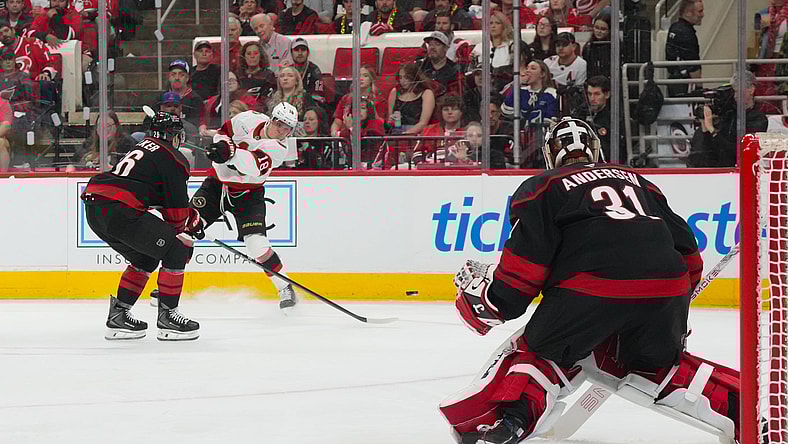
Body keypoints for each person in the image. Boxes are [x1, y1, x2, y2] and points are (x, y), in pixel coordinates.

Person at [440, 117, 740, 444]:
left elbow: (525, 271)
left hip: (590, 289)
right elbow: (689, 255)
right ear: (594, 149)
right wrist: (671, 309)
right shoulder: (640, 183)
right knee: (659, 368)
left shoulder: (542, 186)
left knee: (539, 348)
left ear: (549, 155)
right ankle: (747, 408)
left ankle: (509, 421)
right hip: (666, 289)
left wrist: (493, 303)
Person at [80, 112, 202, 341]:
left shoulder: (143, 146)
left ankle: (119, 316)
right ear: (175, 136)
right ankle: (169, 318)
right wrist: (186, 228)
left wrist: (186, 217)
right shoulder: (173, 157)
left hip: (96, 208)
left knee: (145, 258)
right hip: (119, 209)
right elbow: (175, 215)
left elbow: (143, 189)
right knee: (175, 249)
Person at [195, 103, 301, 311]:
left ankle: (284, 286)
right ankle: (167, 286)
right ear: (272, 119)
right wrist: (220, 144)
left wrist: (228, 152)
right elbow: (224, 132)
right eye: (279, 124)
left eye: (287, 128)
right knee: (187, 228)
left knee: (257, 244)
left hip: (248, 195)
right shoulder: (249, 118)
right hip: (216, 186)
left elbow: (249, 164)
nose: (281, 131)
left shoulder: (279, 149)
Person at [697, 71, 768, 168]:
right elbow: (710, 151)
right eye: (733, 91)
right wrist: (705, 129)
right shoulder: (728, 114)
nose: (734, 95)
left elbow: (740, 151)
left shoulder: (759, 119)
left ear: (751, 90)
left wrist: (712, 130)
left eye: (737, 91)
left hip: (742, 171)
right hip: (719, 168)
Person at [501, 59, 558, 168]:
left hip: (542, 142)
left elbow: (551, 119)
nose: (527, 71)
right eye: (527, 68)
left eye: (533, 68)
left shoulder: (552, 93)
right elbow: (506, 110)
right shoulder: (521, 91)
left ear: (542, 74)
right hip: (521, 140)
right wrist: (517, 86)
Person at [330, 64, 387, 137]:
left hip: (368, 138)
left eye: (365, 76)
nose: (361, 78)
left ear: (371, 79)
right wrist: (334, 133)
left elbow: (381, 124)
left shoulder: (379, 100)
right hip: (346, 137)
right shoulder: (346, 98)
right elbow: (337, 122)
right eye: (359, 75)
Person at [665, 0, 704, 97]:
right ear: (688, 13)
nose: (703, 14)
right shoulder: (687, 33)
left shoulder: (674, 27)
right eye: (700, 11)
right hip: (686, 84)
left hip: (674, 82)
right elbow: (692, 65)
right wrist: (699, 88)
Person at [387, 61, 435, 137]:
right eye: (400, 77)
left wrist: (406, 134)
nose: (402, 81)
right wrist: (391, 120)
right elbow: (389, 120)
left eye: (406, 77)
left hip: (417, 133)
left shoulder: (426, 93)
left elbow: (423, 123)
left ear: (414, 77)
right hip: (396, 132)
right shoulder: (394, 92)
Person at [238, 40, 277, 110]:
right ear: (244, 56)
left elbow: (266, 101)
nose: (252, 56)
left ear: (260, 56)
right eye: (249, 54)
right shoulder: (238, 74)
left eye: (255, 53)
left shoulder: (268, 75)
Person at [165, 59, 204, 128]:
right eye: (173, 74)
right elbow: (147, 124)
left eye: (181, 75)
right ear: (169, 77)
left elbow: (194, 127)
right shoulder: (161, 98)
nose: (177, 78)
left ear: (187, 78)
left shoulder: (195, 100)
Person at [288, 37, 324, 104]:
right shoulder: (288, 70)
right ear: (291, 53)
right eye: (296, 50)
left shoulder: (314, 70)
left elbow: (318, 97)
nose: (300, 53)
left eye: (303, 50)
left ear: (308, 52)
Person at [582, 11, 611, 80]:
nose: (599, 31)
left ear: (609, 30)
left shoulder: (614, 46)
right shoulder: (588, 46)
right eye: (596, 28)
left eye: (603, 29)